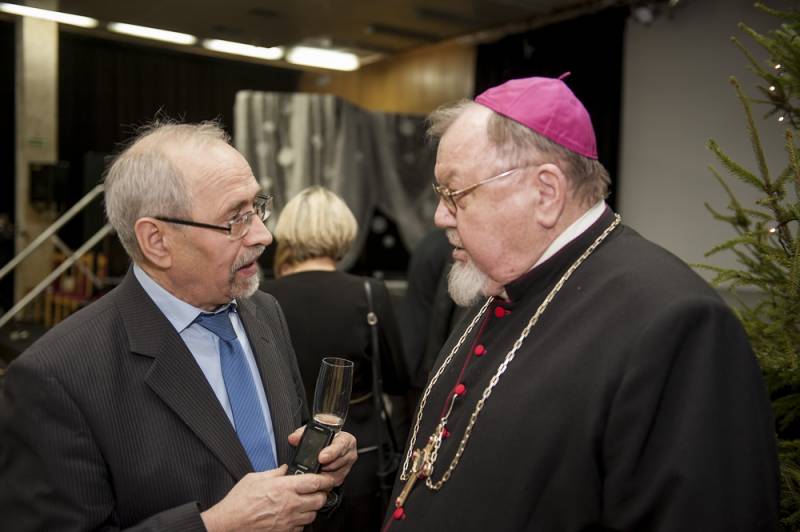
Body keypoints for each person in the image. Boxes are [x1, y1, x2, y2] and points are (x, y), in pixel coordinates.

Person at [381, 75, 779, 531]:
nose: (440, 216)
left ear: (545, 192)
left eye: (455, 193)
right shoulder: (499, 286)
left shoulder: (677, 324)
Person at [0, 121, 358, 531]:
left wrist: (321, 468)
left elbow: (284, 462)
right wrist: (214, 526)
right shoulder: (57, 377)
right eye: (235, 219)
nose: (263, 235)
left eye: (257, 208)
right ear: (157, 241)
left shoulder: (265, 312)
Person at [262, 186, 409, 532]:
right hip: (358, 457)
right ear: (344, 230)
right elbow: (397, 377)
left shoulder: (263, 298)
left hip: (288, 455)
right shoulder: (369, 294)